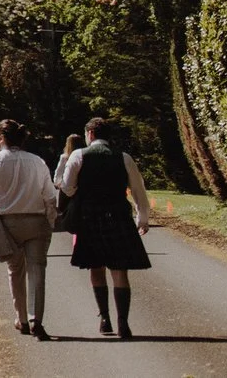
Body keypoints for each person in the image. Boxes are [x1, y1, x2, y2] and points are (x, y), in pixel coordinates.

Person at [59, 116, 153, 338]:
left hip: (90, 218)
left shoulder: (78, 155)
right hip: (118, 216)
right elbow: (138, 190)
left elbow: (67, 187)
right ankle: (123, 323)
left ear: (90, 134)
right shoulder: (124, 158)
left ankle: (105, 319)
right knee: (119, 270)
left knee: (96, 268)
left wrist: (82, 192)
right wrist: (143, 218)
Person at [0, 119, 58, 339]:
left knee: (15, 271)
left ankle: (21, 318)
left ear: (1, 138)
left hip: (7, 222)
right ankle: (36, 320)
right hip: (36, 220)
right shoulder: (38, 162)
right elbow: (50, 196)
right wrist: (50, 220)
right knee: (37, 270)